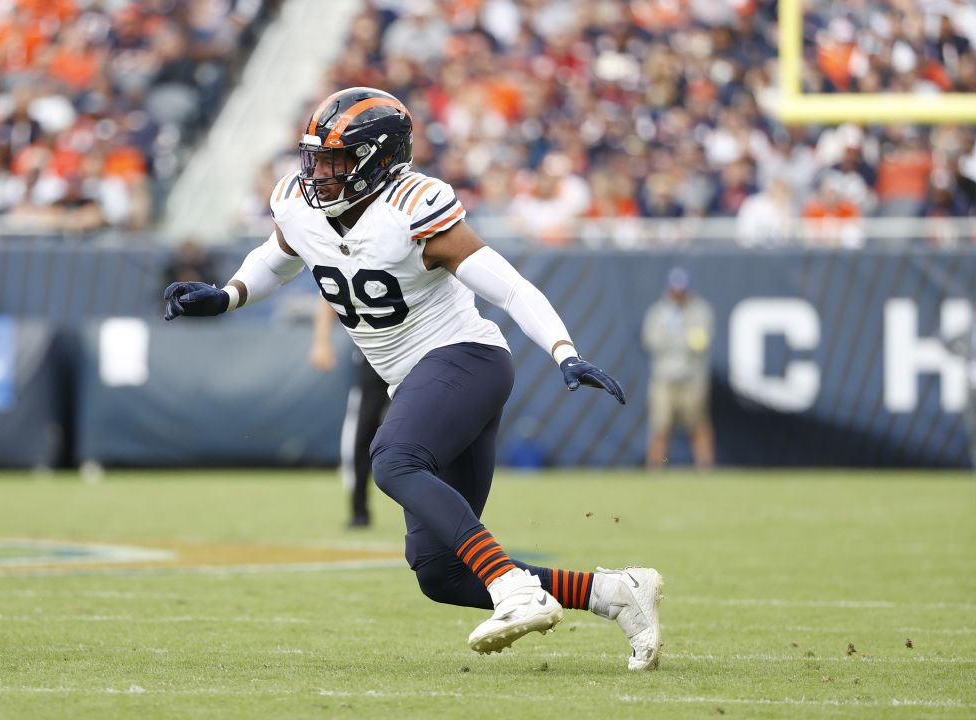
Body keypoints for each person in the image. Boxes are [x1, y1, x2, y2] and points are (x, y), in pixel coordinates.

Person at [163, 87, 663, 670]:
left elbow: (508, 286)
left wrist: (563, 350)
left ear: (377, 160)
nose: (318, 173)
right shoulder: (298, 206)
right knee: (441, 573)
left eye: (335, 160)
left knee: (393, 459)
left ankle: (513, 587)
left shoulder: (412, 207)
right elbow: (277, 256)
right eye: (316, 158)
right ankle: (617, 593)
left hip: (465, 359)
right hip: (417, 380)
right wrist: (226, 296)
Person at [309, 301, 389, 528]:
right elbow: (327, 294)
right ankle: (359, 510)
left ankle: (431, 509)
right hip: (373, 353)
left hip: (416, 352)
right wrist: (321, 340)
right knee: (363, 429)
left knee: (421, 430)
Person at [642, 267, 715, 471]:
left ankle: (705, 469)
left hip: (692, 378)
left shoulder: (700, 310)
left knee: (698, 425)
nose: (678, 295)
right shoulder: (658, 312)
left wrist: (677, 334)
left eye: (682, 290)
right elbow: (651, 342)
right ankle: (655, 469)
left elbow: (700, 342)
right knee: (659, 426)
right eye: (675, 290)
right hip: (664, 378)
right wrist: (676, 332)